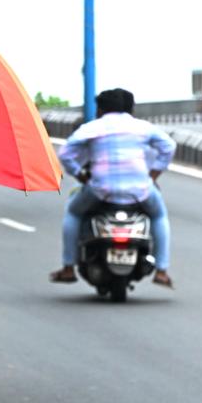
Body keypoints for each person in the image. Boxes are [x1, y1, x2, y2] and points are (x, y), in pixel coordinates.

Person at [50, 88, 176, 287]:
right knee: (159, 215)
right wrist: (153, 175)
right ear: (131, 109)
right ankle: (161, 270)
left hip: (101, 190)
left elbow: (65, 153)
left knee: (73, 212)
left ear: (99, 109)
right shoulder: (142, 127)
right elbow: (169, 146)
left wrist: (80, 174)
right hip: (139, 190)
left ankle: (68, 268)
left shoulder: (93, 128)